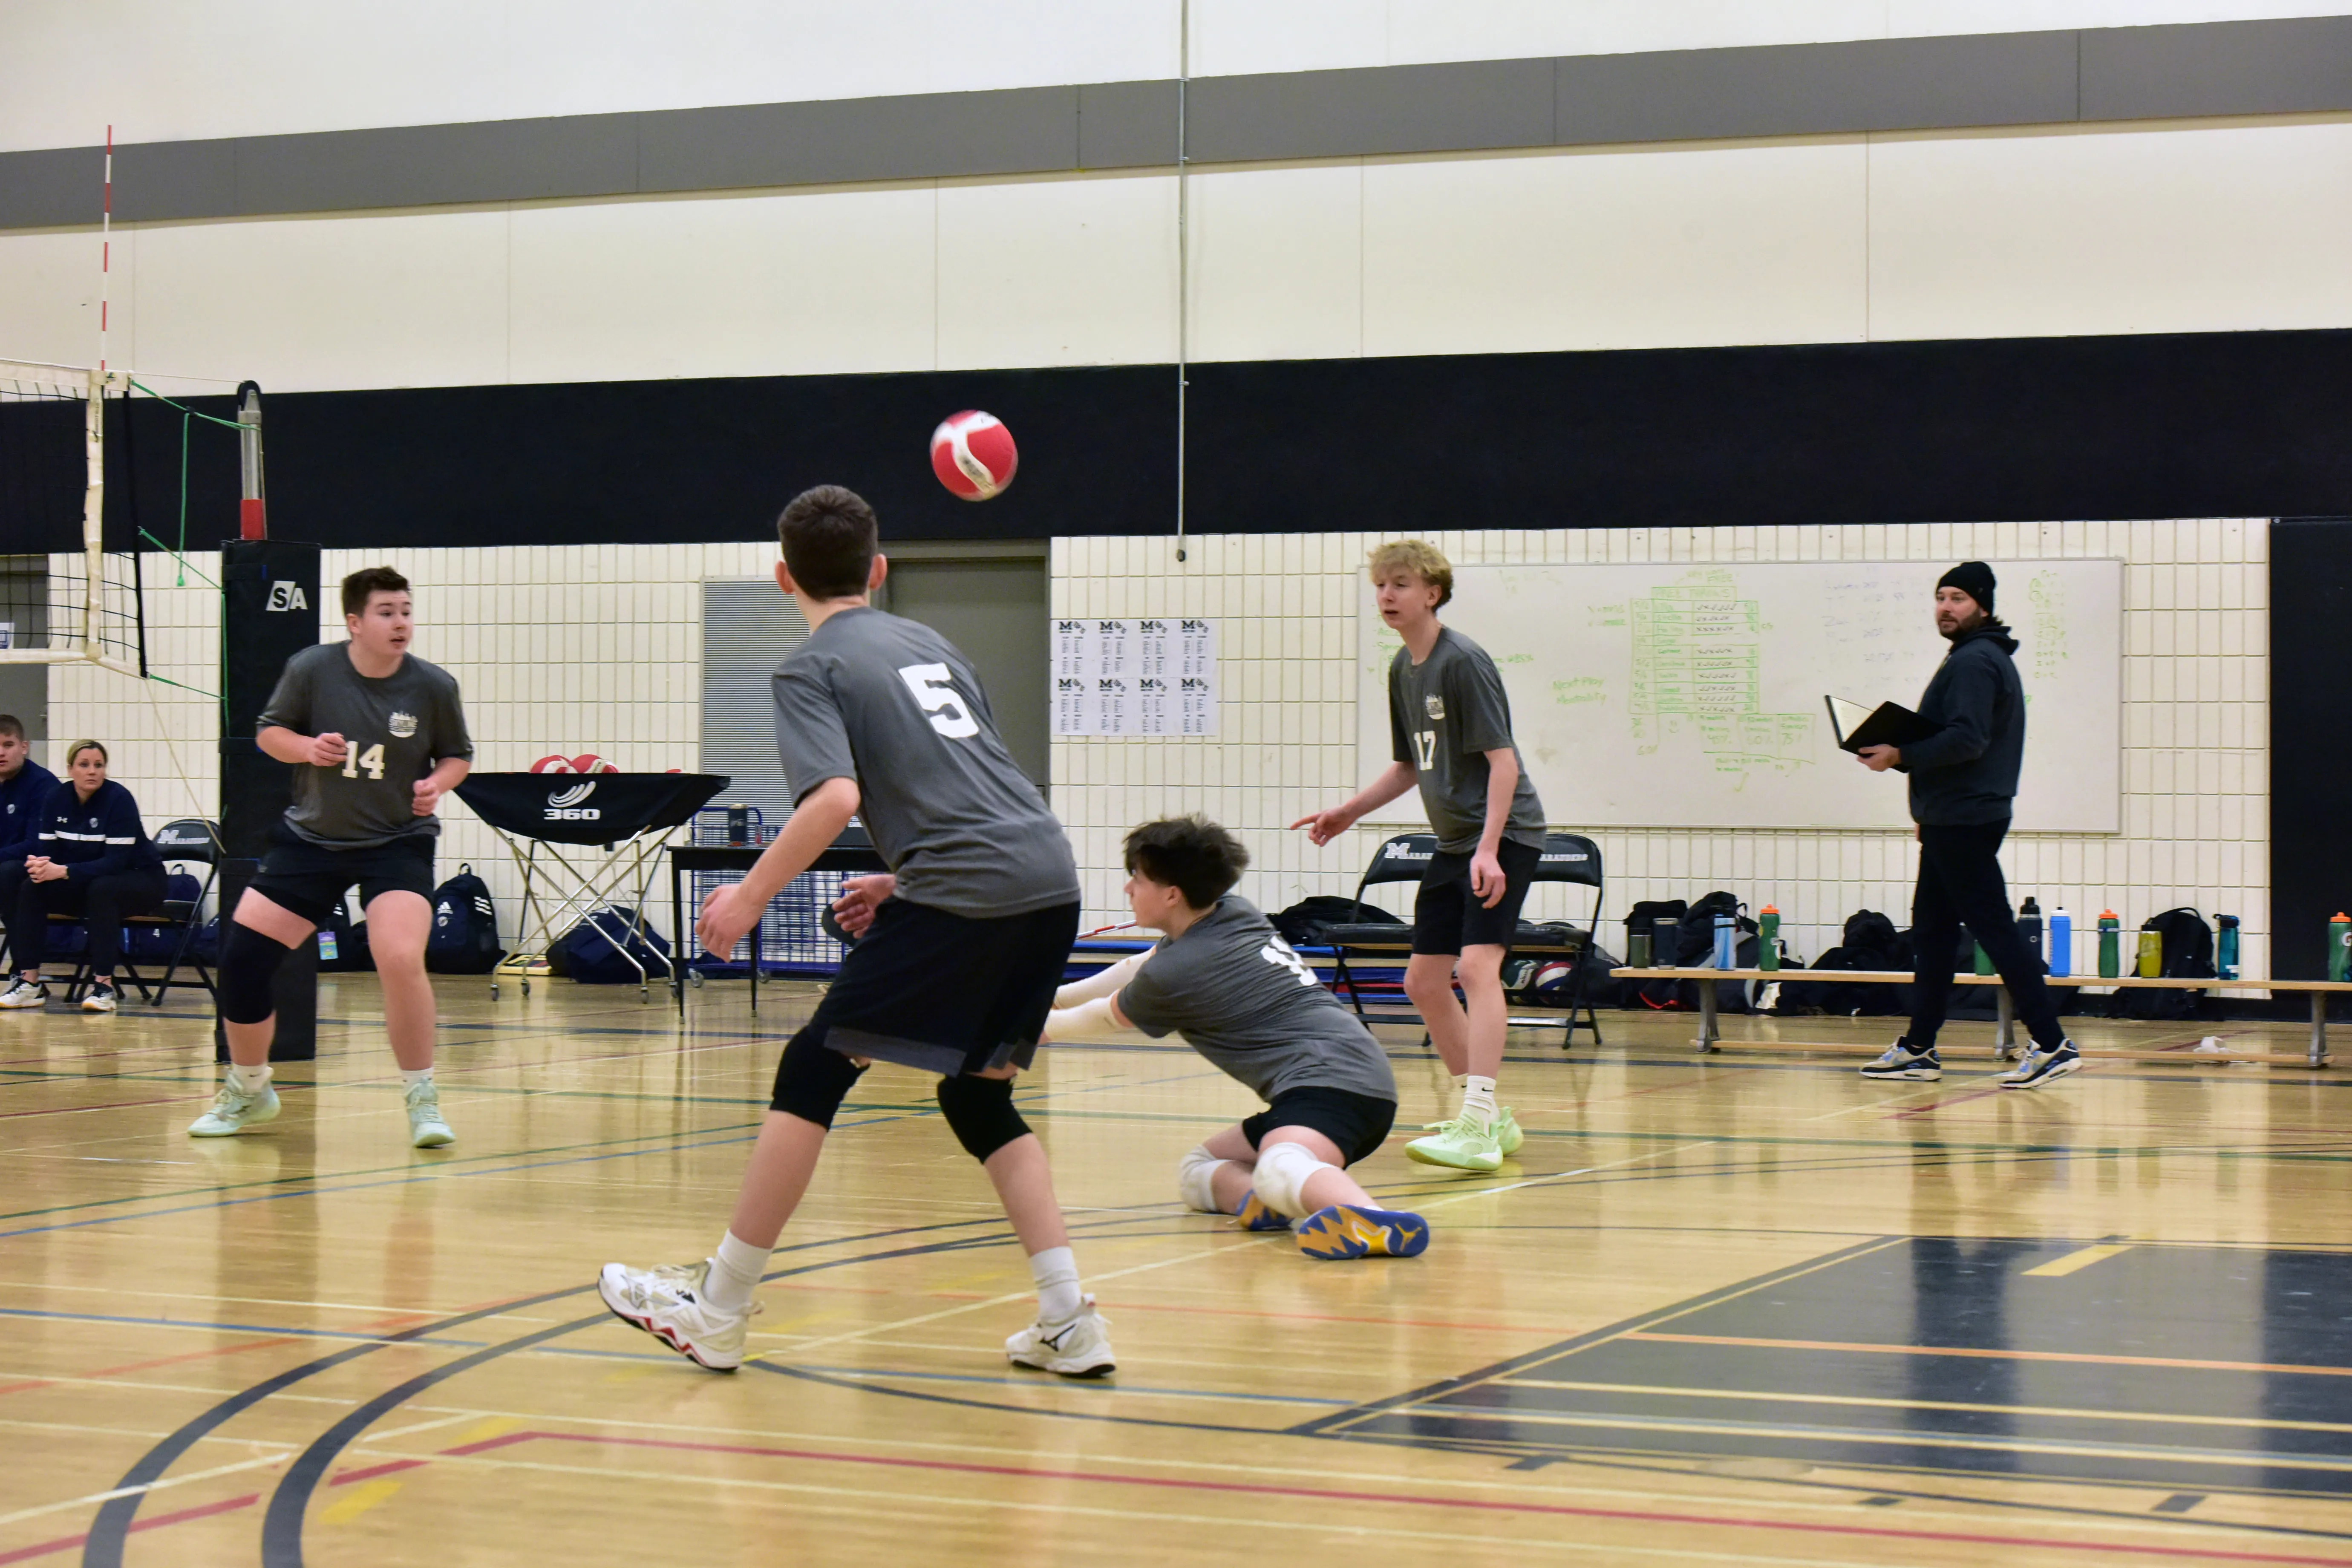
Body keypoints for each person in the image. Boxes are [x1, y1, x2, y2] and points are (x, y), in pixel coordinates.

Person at [598, 484, 1113, 1377]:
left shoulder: (811, 667)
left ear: (782, 578)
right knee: (978, 1097)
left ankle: (718, 1307)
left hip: (967, 887)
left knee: (815, 1066)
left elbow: (835, 798)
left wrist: (749, 896)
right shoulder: (934, 644)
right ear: (877, 570)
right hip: (1046, 877)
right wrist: (902, 879)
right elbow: (976, 786)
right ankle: (1070, 1318)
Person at [1043, 816, 1427, 1260]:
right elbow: (1138, 967)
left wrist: (1024, 1029)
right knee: (1199, 1169)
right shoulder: (1230, 912)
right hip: (1335, 1081)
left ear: (1172, 894)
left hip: (1334, 1082)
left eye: (1139, 879)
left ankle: (1371, 1218)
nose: (1129, 889)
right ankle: (1262, 1201)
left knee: (1279, 1165)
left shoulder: (1180, 970)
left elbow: (1104, 1017)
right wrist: (1054, 999)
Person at [187, 566, 474, 1145]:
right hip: (312, 841)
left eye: (406, 611)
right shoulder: (312, 669)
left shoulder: (432, 685)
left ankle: (422, 1098)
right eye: (387, 612)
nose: (400, 623)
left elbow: (457, 755)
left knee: (399, 956)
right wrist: (307, 748)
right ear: (355, 622)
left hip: (396, 842)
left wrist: (437, 783)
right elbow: (269, 733)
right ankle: (249, 1088)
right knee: (242, 960)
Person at [1291, 539, 1544, 1173]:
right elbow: (1410, 765)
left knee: (1478, 968)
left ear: (1433, 593)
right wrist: (1350, 811)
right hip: (1456, 843)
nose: (1386, 595)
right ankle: (1489, 1117)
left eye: (1400, 584)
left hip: (1503, 837)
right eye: (1380, 585)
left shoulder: (1463, 662)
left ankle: (1478, 1123)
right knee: (1423, 981)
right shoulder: (1403, 667)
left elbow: (1504, 764)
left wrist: (1490, 849)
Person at [1855, 562, 2079, 1090]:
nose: (1946, 607)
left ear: (1982, 605)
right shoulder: (1976, 655)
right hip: (1950, 816)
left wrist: (1899, 753)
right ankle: (1919, 1047)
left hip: (1964, 818)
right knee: (1933, 934)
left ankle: (2052, 1043)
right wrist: (1929, 809)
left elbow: (1967, 739)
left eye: (1958, 598)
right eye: (1941, 597)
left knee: (1994, 928)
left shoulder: (1976, 660)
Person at [0, 741, 165, 1013]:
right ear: (70, 769)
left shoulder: (119, 799)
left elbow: (115, 863)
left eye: (99, 765)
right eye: (84, 765)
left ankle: (104, 987)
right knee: (33, 886)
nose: (92, 771)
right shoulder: (56, 798)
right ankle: (29, 982)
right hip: (88, 880)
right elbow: (49, 852)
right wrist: (41, 866)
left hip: (141, 880)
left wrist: (64, 871)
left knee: (103, 889)